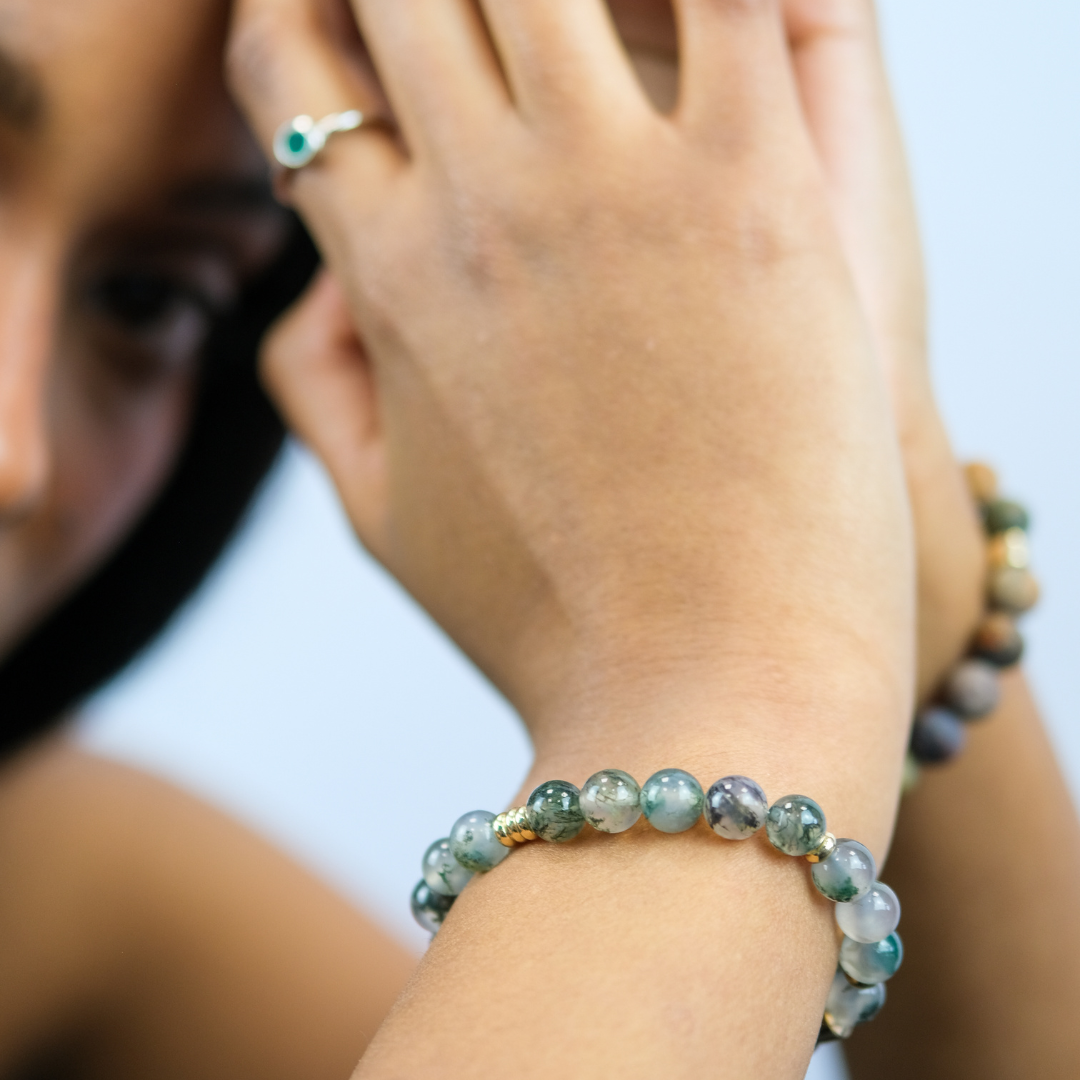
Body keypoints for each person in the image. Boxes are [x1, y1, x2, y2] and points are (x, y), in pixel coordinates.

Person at [228, 0, 1080, 1077]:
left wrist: (853, 444)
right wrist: (716, 656)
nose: (19, 450)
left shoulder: (86, 902)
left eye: (145, 295)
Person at [0, 0, 413, 1075]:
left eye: (145, 298)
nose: (15, 455)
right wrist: (714, 678)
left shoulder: (47, 890)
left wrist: (864, 472)